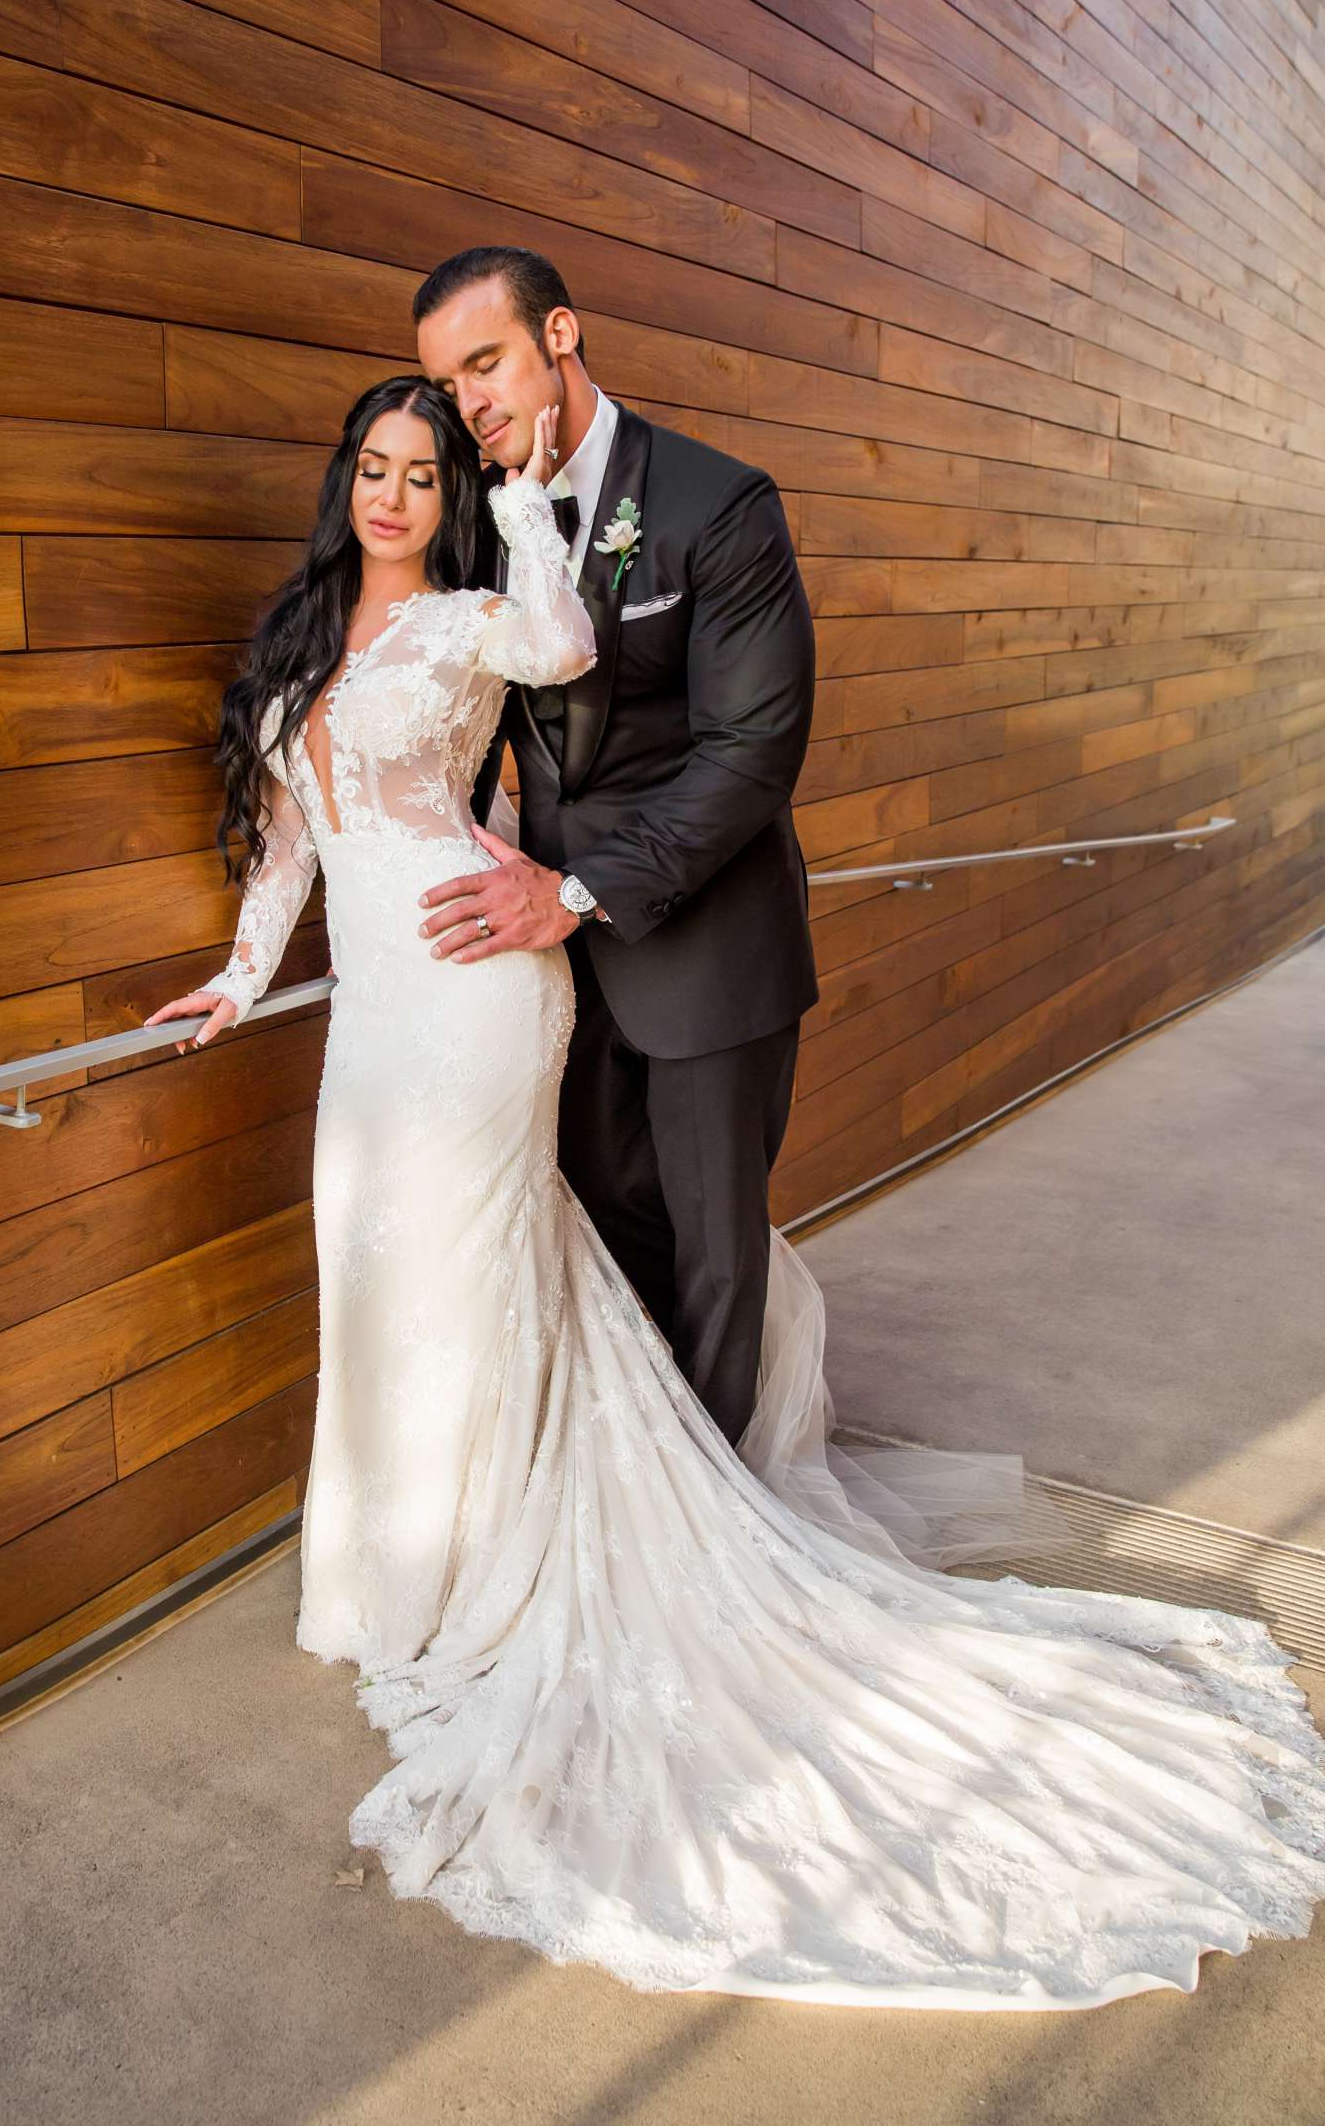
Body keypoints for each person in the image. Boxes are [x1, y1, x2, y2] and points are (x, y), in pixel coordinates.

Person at [146, 371, 1325, 2009]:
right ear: (341, 476)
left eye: (425, 471)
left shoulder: (485, 614)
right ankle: (383, 1571)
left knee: (478, 1273)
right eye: (378, 467)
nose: (396, 494)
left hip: (481, 986)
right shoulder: (305, 639)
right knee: (375, 1266)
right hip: (369, 1023)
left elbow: (566, 649)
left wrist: (530, 502)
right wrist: (230, 977)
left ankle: (488, 1568)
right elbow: (289, 847)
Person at [411, 247, 816, 1449]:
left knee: (713, 1257)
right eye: (450, 382)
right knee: (596, 1219)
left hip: (703, 947)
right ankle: (646, 1487)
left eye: (487, 362)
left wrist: (577, 891)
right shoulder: (481, 524)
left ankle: (726, 1534)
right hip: (554, 969)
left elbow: (750, 752)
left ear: (561, 336)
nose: (472, 401)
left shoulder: (716, 503)